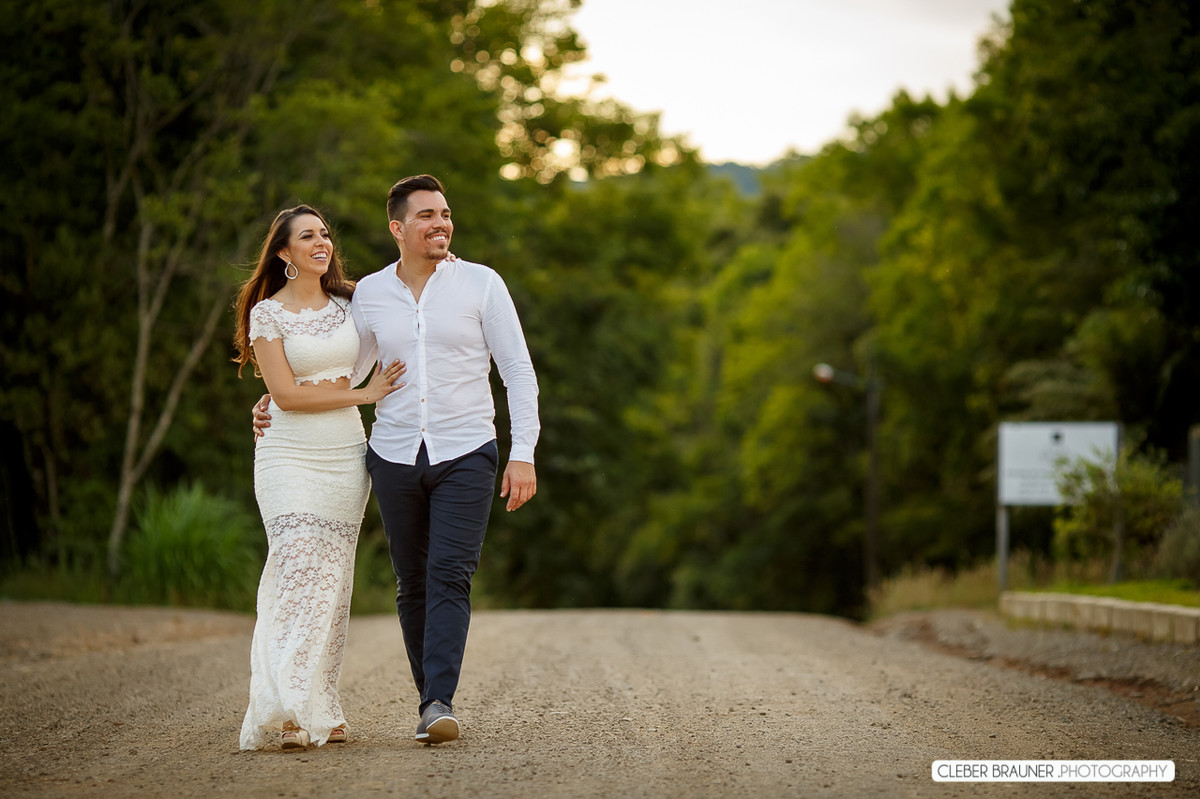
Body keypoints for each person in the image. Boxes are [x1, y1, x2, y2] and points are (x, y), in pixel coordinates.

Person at [253, 175, 540, 745]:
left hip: (467, 450)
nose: (441, 224)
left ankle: (437, 702)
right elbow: (346, 366)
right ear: (398, 228)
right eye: (427, 215)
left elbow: (518, 372)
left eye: (446, 214)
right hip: (394, 453)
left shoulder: (483, 285)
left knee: (450, 574)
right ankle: (427, 695)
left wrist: (523, 453)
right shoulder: (371, 294)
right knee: (411, 582)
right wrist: (273, 400)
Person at [233, 205, 406, 751]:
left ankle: (320, 707)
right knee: (297, 564)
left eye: (325, 234)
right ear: (283, 253)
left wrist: (356, 391)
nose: (321, 242)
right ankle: (284, 708)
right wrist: (366, 395)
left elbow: (380, 343)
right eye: (307, 236)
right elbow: (285, 395)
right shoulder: (267, 314)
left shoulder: (350, 304)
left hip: (344, 453)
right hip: (287, 453)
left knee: (332, 580)